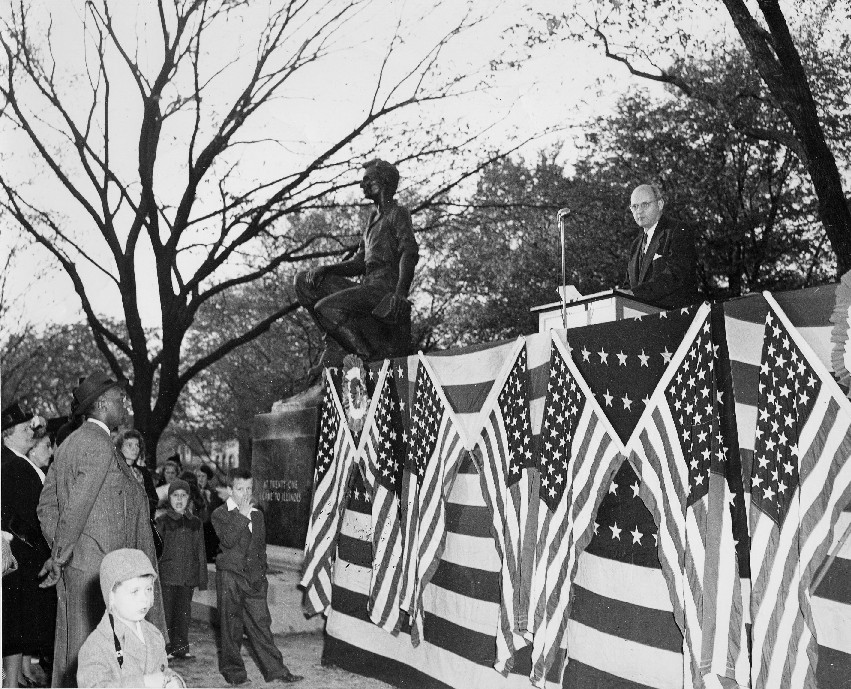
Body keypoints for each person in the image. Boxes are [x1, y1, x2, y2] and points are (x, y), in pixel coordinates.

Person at [36, 371, 167, 688]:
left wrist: (65, 553)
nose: (125, 406)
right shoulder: (98, 445)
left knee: (75, 649)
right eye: (121, 400)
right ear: (103, 404)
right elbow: (78, 506)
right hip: (98, 571)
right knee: (96, 655)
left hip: (80, 565)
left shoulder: (68, 444)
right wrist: (64, 554)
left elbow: (47, 507)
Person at [294, 158, 419, 375]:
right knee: (303, 281)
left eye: (368, 180)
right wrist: (327, 269)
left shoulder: (398, 213)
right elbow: (359, 262)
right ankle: (333, 346)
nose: (362, 185)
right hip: (368, 285)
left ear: (384, 182)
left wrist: (399, 294)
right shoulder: (372, 219)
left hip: (383, 288)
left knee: (325, 307)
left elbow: (409, 252)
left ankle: (367, 356)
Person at [211, 469, 303, 685]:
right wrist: (242, 515)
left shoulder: (258, 515)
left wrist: (262, 576)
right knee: (231, 627)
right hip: (230, 577)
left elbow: (260, 549)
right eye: (240, 489)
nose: (245, 493)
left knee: (261, 625)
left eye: (249, 488)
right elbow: (228, 540)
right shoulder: (220, 514)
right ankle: (234, 673)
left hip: (253, 579)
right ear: (230, 490)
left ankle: (276, 670)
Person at [76, 549, 184, 688]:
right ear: (111, 597)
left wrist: (174, 682)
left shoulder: (154, 634)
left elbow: (163, 671)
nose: (144, 599)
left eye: (149, 589)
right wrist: (144, 683)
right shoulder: (96, 647)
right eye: (135, 591)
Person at [1, 402, 53, 688]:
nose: (29, 433)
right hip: (19, 555)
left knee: (17, 620)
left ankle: (15, 677)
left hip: (20, 552)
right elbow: (12, 516)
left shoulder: (16, 461)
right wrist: (38, 542)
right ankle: (9, 682)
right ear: (7, 434)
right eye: (24, 429)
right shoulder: (12, 465)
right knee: (15, 621)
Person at [155, 479, 207, 660]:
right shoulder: (162, 522)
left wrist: (201, 578)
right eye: (175, 495)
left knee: (184, 613)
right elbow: (157, 550)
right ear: (169, 498)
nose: (179, 499)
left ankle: (181, 647)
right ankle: (165, 647)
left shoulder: (195, 523)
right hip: (168, 575)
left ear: (189, 499)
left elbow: (200, 551)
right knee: (167, 613)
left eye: (183, 496)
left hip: (187, 576)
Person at [625, 183, 698, 309]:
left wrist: (635, 294)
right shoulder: (635, 245)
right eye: (635, 206)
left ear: (660, 204)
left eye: (645, 205)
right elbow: (628, 286)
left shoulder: (678, 230)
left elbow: (676, 275)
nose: (639, 211)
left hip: (674, 318)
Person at [116, 429, 158, 518]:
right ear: (120, 447)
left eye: (137, 445)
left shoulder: (143, 472)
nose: (134, 449)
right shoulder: (114, 470)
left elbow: (153, 499)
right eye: (129, 445)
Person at [195, 465, 220, 562]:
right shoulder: (193, 491)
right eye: (198, 476)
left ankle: (209, 553)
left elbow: (214, 511)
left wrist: (208, 501)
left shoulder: (212, 492)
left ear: (208, 478)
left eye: (203, 476)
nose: (200, 479)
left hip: (208, 523)